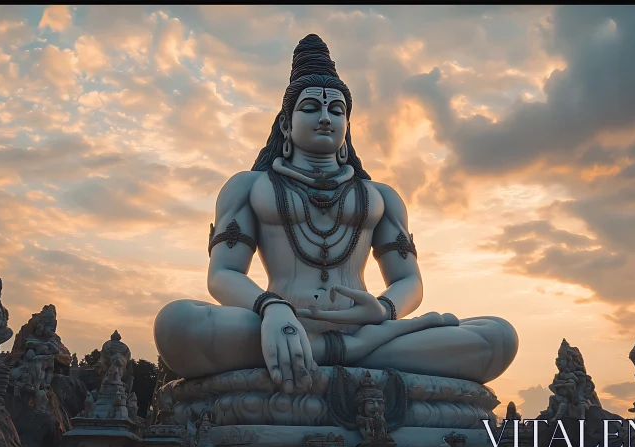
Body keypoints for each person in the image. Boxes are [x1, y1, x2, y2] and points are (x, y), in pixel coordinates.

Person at [154, 34, 518, 394]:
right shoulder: (250, 186)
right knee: (178, 324)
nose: (325, 118)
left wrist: (384, 311)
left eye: (337, 110)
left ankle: (333, 351)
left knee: (498, 336)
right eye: (311, 108)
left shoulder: (380, 196)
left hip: (368, 330)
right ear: (285, 123)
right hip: (279, 325)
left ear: (348, 124)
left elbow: (410, 281)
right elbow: (223, 273)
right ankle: (343, 353)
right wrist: (272, 310)